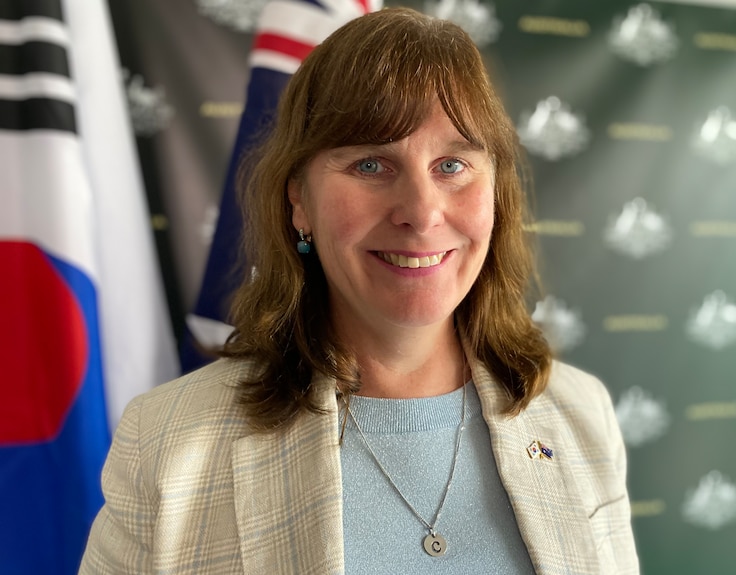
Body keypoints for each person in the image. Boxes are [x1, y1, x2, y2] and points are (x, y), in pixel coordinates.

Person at [79, 7, 639, 575]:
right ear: (299, 200)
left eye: (452, 164)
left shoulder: (580, 414)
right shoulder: (168, 442)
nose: (422, 214)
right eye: (371, 163)